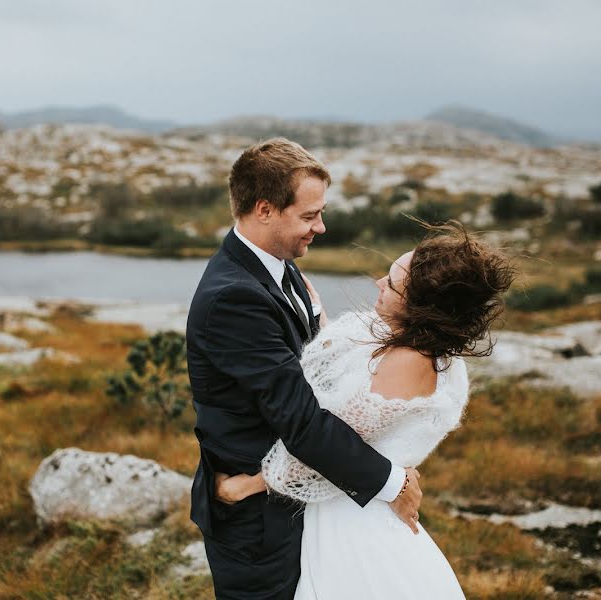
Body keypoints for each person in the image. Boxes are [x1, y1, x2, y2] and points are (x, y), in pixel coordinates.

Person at [215, 222, 515, 599]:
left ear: (420, 307)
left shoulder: (411, 361)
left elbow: (329, 442)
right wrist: (314, 311)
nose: (377, 284)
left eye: (391, 283)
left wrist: (245, 487)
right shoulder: (412, 343)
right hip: (357, 502)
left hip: (354, 525)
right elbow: (352, 365)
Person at [186, 138, 424, 600]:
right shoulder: (234, 298)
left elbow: (321, 375)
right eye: (309, 215)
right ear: (265, 210)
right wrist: (392, 484)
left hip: (294, 498)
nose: (322, 226)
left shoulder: (280, 267)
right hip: (256, 522)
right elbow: (299, 419)